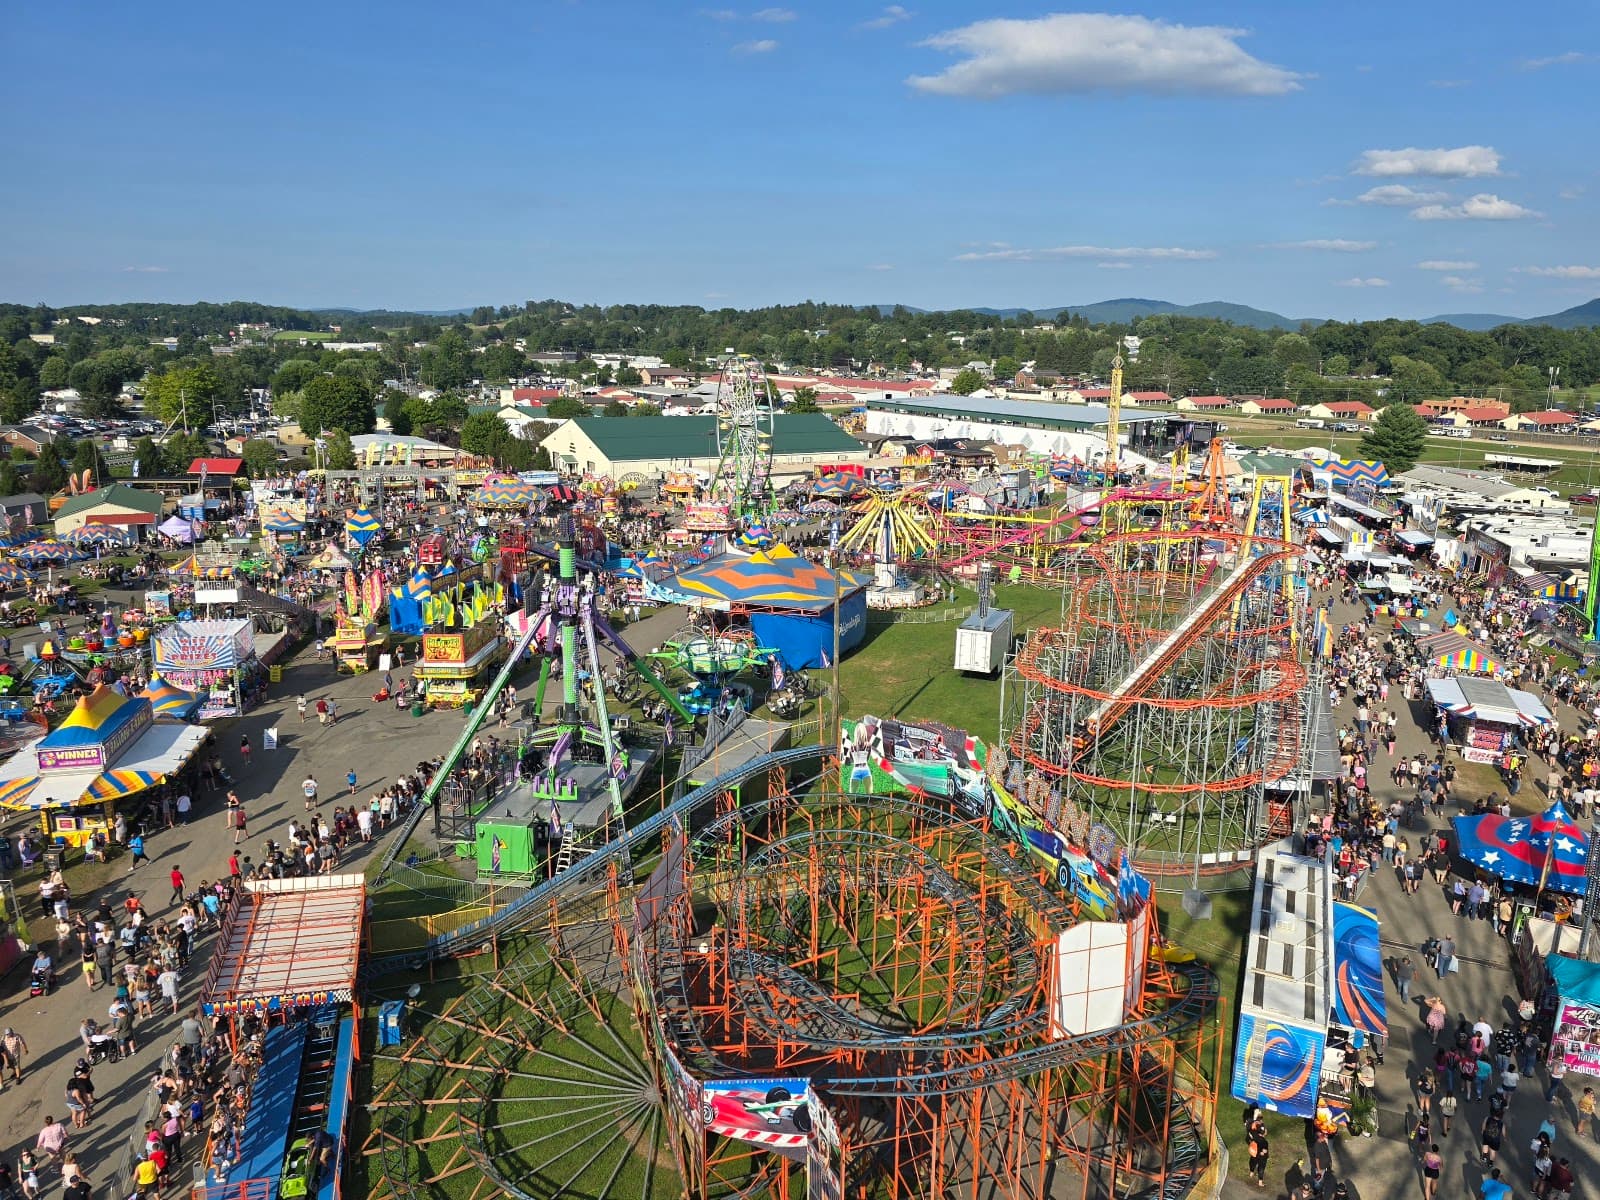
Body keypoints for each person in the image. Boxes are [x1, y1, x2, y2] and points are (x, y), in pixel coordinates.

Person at [1246, 1120, 1269, 1188]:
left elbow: (1249, 1134)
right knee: (1261, 1168)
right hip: (1262, 1157)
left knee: (1252, 1163)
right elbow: (1264, 1151)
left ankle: (1251, 1173)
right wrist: (1263, 1152)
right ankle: (1260, 1182)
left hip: (1254, 1154)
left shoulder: (1254, 1134)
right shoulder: (1265, 1142)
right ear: (1264, 1133)